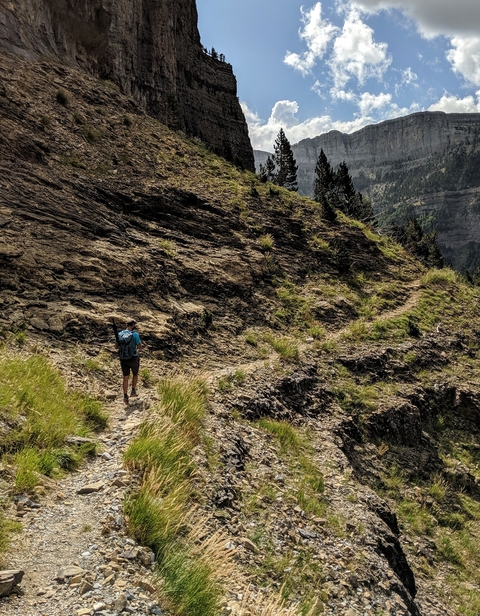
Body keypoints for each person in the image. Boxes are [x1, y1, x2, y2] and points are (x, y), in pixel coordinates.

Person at [116, 319, 142, 405]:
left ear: (126, 325)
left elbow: (116, 346)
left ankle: (125, 396)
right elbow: (139, 347)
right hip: (133, 357)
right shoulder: (135, 334)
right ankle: (133, 391)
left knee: (125, 377)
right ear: (133, 325)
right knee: (135, 374)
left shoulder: (119, 334)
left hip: (123, 358)